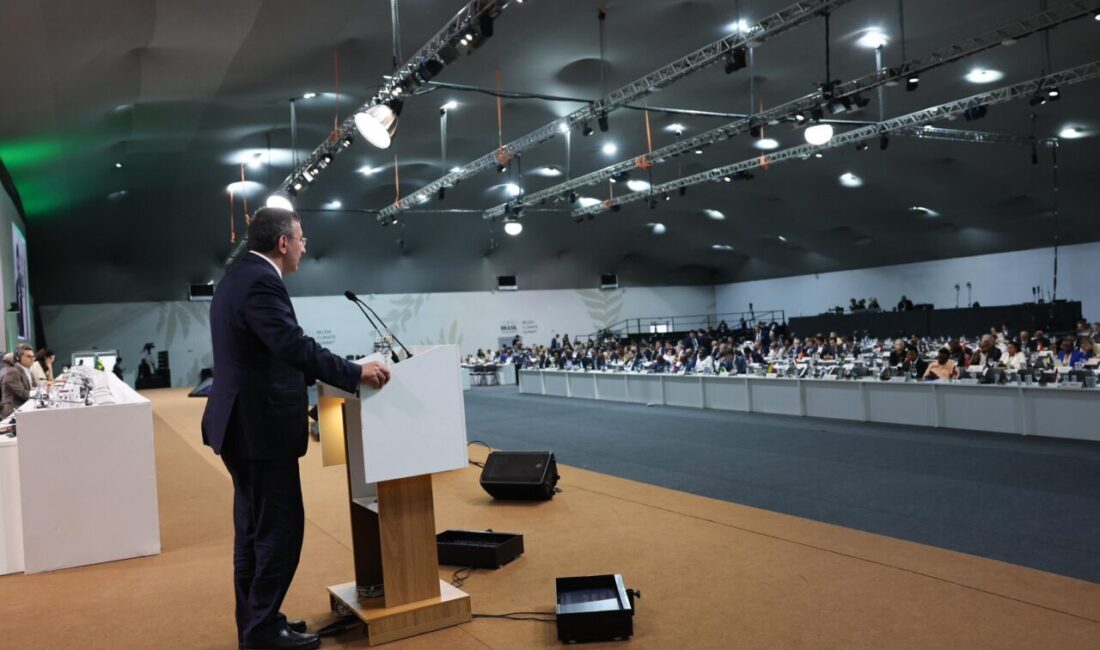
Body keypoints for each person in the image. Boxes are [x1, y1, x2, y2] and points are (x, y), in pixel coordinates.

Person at [201, 208, 391, 650]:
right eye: (302, 239)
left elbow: (267, 354)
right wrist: (353, 372)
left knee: (253, 532)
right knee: (279, 531)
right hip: (258, 428)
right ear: (283, 243)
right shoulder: (261, 280)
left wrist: (341, 368)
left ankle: (258, 626)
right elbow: (289, 344)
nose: (306, 247)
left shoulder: (237, 276)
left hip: (241, 425)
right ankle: (264, 631)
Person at [1, 347, 35, 418]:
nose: (32, 359)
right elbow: (22, 393)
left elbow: (34, 386)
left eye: (33, 356)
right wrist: (38, 393)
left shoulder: (27, 370)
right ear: (19, 358)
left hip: (23, 405)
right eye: (29, 356)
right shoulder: (13, 371)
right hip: (14, 409)